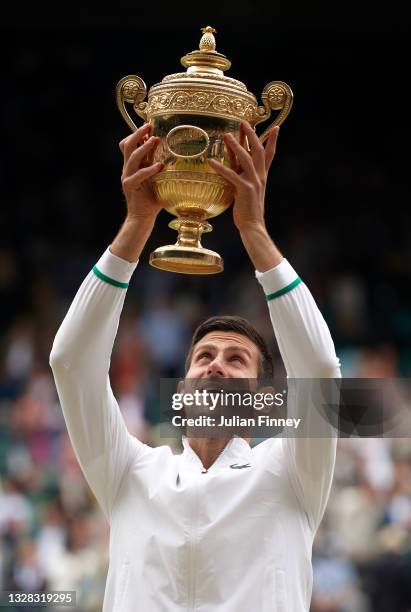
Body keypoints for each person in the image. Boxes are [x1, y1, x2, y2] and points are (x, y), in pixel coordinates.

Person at [50, 121, 341, 611]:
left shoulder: (291, 472)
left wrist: (253, 231)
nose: (216, 367)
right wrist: (137, 224)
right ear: (181, 390)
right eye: (204, 357)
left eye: (236, 359)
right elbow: (71, 361)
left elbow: (320, 370)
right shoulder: (131, 471)